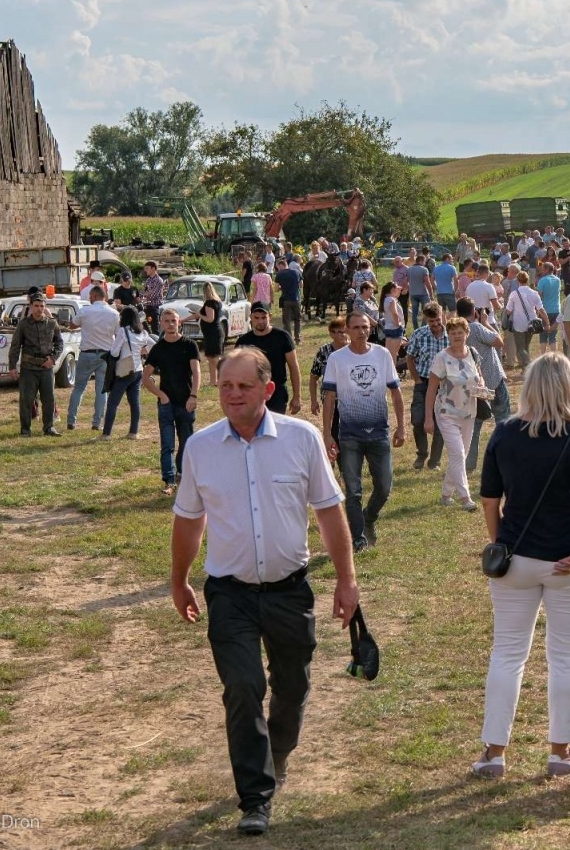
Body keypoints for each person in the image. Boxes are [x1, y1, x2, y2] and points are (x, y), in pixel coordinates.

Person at [169, 347, 360, 837]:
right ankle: (255, 796)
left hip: (289, 590)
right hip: (229, 594)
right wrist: (179, 580)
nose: (232, 395)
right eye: (225, 386)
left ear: (268, 390)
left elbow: (329, 511)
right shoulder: (201, 448)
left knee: (292, 686)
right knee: (243, 686)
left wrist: (346, 579)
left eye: (244, 387)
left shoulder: (302, 439)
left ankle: (277, 754)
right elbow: (190, 519)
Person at [472, 353, 570, 779]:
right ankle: (560, 751)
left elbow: (490, 500)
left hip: (515, 557)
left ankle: (493, 754)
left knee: (508, 654)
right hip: (566, 557)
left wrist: (499, 542)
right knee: (566, 656)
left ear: (529, 386)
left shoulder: (505, 433)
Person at [322, 311, 405, 551]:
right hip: (349, 434)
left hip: (379, 432)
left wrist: (401, 427)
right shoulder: (337, 359)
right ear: (347, 330)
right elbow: (329, 398)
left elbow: (396, 392)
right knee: (354, 490)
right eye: (356, 327)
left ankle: (369, 517)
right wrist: (327, 433)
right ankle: (358, 536)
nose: (362, 331)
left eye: (365, 327)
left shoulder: (382, 355)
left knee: (384, 487)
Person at [424, 315, 486, 510]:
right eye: (453, 333)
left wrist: (482, 387)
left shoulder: (473, 353)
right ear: (448, 335)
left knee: (461, 454)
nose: (457, 336)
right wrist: (428, 419)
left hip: (469, 411)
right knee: (458, 453)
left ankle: (446, 494)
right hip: (446, 412)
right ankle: (465, 498)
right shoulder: (442, 358)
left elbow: (479, 376)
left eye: (460, 332)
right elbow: (431, 389)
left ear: (467, 334)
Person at [144, 309, 201, 494]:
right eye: (166, 321)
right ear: (161, 323)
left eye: (173, 321)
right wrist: (161, 395)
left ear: (179, 323)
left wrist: (193, 395)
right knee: (167, 444)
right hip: (167, 404)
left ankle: (182, 473)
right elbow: (145, 378)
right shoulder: (158, 348)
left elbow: (197, 372)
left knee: (187, 442)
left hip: (186, 402)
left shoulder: (190, 345)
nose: (170, 324)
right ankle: (169, 480)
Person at [456, 298, 510, 479]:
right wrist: (485, 322)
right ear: (474, 312)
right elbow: (499, 341)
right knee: (503, 422)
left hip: (474, 385)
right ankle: (505, 460)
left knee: (474, 426)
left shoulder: (457, 331)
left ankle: (469, 464)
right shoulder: (477, 327)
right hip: (493, 381)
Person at [7, 296, 63, 438]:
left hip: (46, 368)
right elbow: (15, 346)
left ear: (45, 307)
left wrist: (53, 358)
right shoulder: (23, 324)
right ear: (31, 307)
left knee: (49, 399)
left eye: (41, 306)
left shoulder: (52, 324)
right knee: (26, 400)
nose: (39, 309)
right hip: (29, 368)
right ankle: (25, 430)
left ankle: (49, 427)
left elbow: (59, 343)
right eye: (36, 306)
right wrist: (12, 366)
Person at [67, 284, 120, 431]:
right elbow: (118, 334)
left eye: (90, 296)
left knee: (78, 388)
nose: (89, 299)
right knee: (102, 391)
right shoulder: (114, 313)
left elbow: (72, 325)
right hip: (105, 354)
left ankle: (71, 420)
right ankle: (97, 423)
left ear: (95, 296)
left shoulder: (85, 311)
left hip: (87, 353)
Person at [404, 303, 448, 470]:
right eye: (431, 322)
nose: (436, 325)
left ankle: (434, 460)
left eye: (437, 320)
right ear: (425, 320)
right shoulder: (419, 334)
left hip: (444, 385)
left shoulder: (450, 335)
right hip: (423, 381)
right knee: (418, 419)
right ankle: (422, 454)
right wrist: (416, 380)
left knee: (441, 423)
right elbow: (410, 357)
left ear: (442, 315)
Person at [236, 303, 301, 415]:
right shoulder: (243, 342)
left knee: (274, 429)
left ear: (269, 316)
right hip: (251, 392)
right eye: (256, 317)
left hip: (277, 392)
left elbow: (293, 367)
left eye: (264, 317)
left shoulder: (282, 337)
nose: (260, 321)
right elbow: (236, 372)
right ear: (250, 317)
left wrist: (297, 396)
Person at [102, 306, 153, 439]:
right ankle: (133, 432)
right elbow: (153, 345)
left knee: (113, 403)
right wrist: (141, 351)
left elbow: (114, 352)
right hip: (138, 370)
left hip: (125, 370)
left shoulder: (123, 331)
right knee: (134, 403)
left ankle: (106, 434)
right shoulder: (143, 332)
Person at [307, 317, 350, 437]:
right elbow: (313, 377)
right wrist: (314, 400)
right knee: (334, 431)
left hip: (351, 397)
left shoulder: (354, 350)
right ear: (331, 334)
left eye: (345, 331)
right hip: (330, 399)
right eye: (340, 332)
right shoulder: (323, 351)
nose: (344, 335)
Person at [503, 270, 547, 368]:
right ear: (527, 280)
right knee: (526, 346)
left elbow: (509, 310)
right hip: (531, 323)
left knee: (520, 348)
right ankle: (525, 368)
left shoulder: (514, 294)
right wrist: (547, 323)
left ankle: (528, 365)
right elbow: (541, 309)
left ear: (517, 281)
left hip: (518, 324)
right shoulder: (534, 293)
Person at [198, 283, 225, 387]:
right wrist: (183, 320)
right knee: (212, 358)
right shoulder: (217, 302)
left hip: (212, 333)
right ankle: (214, 380)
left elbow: (210, 319)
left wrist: (200, 315)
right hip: (214, 332)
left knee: (214, 358)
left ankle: (217, 380)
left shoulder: (209, 303)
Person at [276, 260, 304, 345]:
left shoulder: (279, 274)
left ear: (281, 266)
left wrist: (282, 287)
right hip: (296, 299)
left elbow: (276, 289)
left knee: (286, 320)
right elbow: (301, 285)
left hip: (286, 299)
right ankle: (297, 338)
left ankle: (289, 338)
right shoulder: (296, 272)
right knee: (297, 319)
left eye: (278, 267)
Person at [536, 262, 562, 353]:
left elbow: (539, 296)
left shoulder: (542, 280)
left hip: (545, 310)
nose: (541, 270)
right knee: (553, 335)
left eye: (543, 268)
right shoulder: (557, 280)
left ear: (547, 269)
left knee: (543, 335)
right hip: (556, 310)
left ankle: (543, 356)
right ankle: (554, 356)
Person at [379, 281, 407, 361]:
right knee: (394, 354)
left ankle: (388, 371)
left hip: (388, 328)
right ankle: (393, 372)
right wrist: (398, 324)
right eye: (396, 288)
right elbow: (394, 313)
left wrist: (397, 288)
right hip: (395, 328)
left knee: (389, 353)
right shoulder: (391, 300)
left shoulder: (386, 299)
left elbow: (396, 295)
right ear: (392, 289)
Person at [405, 255, 432, 329]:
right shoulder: (424, 269)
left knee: (415, 313)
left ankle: (416, 329)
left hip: (413, 293)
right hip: (423, 293)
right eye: (424, 261)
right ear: (420, 261)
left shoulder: (409, 269)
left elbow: (406, 281)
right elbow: (427, 282)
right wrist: (431, 293)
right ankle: (423, 327)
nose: (425, 263)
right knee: (427, 311)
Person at [142, 261, 167, 333]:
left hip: (154, 308)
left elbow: (151, 295)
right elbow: (142, 292)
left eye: (147, 268)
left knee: (154, 330)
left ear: (153, 269)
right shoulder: (148, 280)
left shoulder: (158, 280)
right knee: (146, 330)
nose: (145, 270)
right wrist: (144, 294)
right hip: (147, 307)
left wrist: (145, 294)